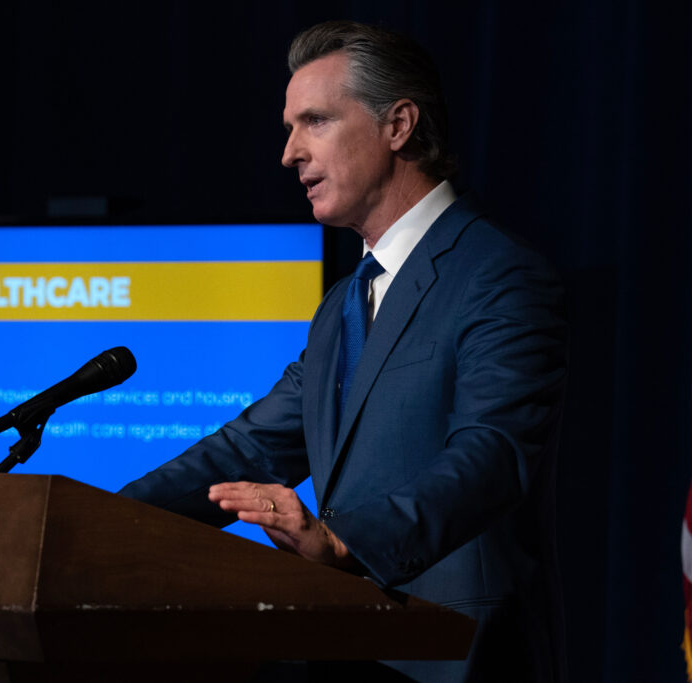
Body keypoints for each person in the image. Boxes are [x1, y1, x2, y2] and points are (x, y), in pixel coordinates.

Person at [120, 20, 566, 682]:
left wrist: (342, 539)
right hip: (346, 650)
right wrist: (107, 516)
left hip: (455, 655)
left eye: (315, 121)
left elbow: (491, 456)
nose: (289, 152)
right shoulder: (340, 305)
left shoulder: (497, 274)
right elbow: (248, 446)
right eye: (289, 127)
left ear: (399, 125)